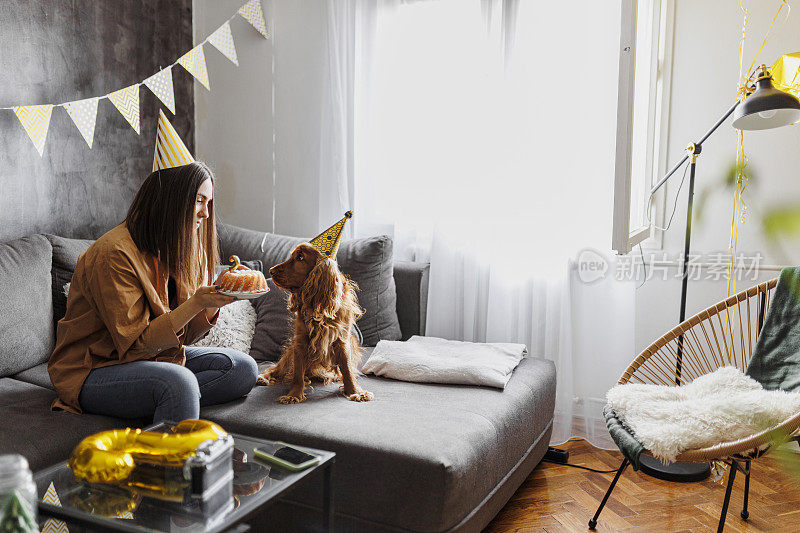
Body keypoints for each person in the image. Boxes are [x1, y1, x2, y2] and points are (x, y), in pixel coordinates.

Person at [48, 162, 259, 424]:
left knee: (242, 369)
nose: (205, 213)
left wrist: (212, 304)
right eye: (199, 201)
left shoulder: (175, 247)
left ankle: (168, 402)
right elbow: (136, 347)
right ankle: (171, 413)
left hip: (157, 357)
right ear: (172, 199)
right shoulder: (113, 254)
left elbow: (182, 337)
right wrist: (195, 303)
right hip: (95, 369)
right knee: (178, 383)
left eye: (209, 203)